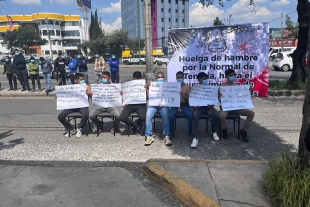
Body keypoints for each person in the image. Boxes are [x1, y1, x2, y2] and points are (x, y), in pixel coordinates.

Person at [219, 69, 255, 142]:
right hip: (226, 107)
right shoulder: (222, 87)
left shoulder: (237, 86)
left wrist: (250, 92)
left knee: (251, 113)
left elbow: (243, 97)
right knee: (221, 116)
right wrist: (220, 97)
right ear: (226, 76)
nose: (233, 77)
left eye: (234, 75)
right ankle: (224, 130)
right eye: (231, 75)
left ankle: (244, 131)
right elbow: (219, 100)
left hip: (236, 108)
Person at [191, 72, 220, 148]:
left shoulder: (210, 88)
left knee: (216, 116)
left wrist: (212, 104)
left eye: (206, 78)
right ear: (199, 79)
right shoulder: (194, 88)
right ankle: (195, 137)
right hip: (198, 108)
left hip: (208, 108)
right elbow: (191, 99)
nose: (206, 80)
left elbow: (214, 99)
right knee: (195, 116)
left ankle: (214, 132)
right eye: (204, 79)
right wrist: (193, 106)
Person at [57, 73, 92, 138]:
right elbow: (66, 96)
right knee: (60, 116)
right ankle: (71, 128)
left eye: (83, 79)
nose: (83, 81)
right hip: (73, 106)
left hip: (83, 106)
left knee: (86, 114)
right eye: (81, 79)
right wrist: (59, 97)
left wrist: (90, 94)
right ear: (76, 80)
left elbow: (92, 98)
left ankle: (79, 128)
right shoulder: (72, 87)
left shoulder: (86, 86)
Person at [144, 72, 171, 146]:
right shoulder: (152, 85)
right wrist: (147, 89)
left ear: (164, 78)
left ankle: (166, 135)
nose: (160, 79)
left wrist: (164, 104)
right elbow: (148, 97)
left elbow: (170, 98)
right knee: (148, 115)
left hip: (163, 105)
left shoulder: (167, 86)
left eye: (161, 77)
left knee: (166, 116)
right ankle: (149, 136)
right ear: (156, 78)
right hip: (153, 105)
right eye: (158, 77)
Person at [169, 71, 193, 141]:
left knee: (190, 115)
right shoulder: (173, 86)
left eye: (181, 77)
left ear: (184, 78)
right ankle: (171, 133)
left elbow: (189, 99)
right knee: (170, 116)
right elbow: (171, 98)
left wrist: (183, 95)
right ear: (176, 78)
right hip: (175, 105)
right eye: (178, 77)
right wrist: (178, 107)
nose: (180, 79)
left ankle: (191, 133)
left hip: (185, 104)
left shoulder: (188, 87)